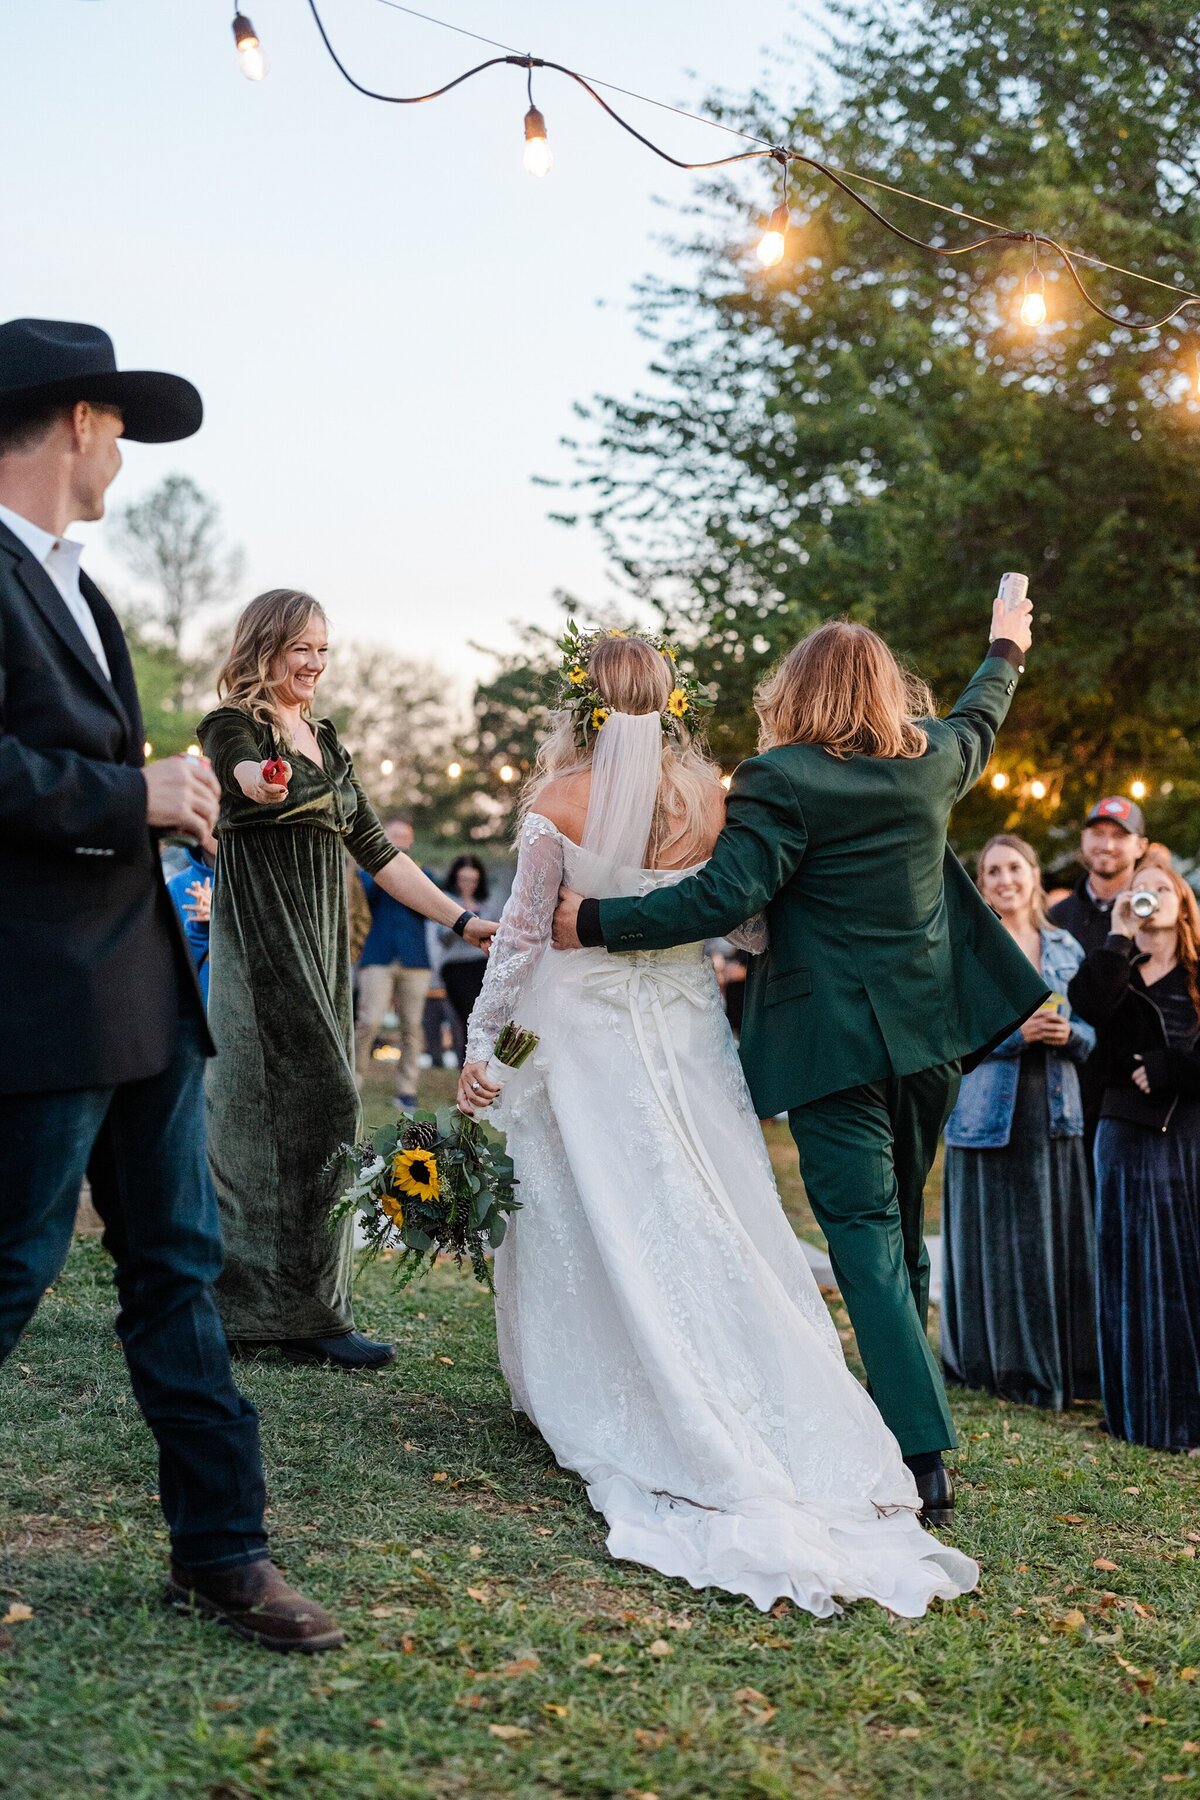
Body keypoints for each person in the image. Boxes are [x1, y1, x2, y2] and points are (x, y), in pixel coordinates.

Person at [458, 632, 979, 1616]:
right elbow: (743, 919)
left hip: (582, 1027)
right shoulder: (717, 795)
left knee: (595, 1206)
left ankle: (593, 1385)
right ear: (670, 700)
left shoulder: (557, 802)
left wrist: (485, 1044)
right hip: (692, 1029)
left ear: (582, 703)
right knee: (717, 1208)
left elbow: (527, 933)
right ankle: (817, 1403)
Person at [552, 591, 1046, 1528]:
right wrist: (1005, 646)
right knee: (897, 1225)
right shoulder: (934, 761)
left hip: (831, 1047)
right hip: (931, 1040)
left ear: (798, 691)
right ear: (887, 690)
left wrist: (597, 922)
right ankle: (919, 1420)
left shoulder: (781, 778)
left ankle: (918, 1451)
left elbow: (719, 899)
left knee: (865, 1235)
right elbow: (983, 713)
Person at [0, 316, 341, 1651]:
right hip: (38, 1003)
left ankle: (223, 1550)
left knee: (181, 1277)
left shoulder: (77, 585)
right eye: (120, 425)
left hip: (145, 998)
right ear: (79, 421)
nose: (126, 451)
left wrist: (170, 804)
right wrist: (124, 795)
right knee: (13, 1268)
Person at [198, 593, 496, 1370]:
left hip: (324, 951)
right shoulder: (233, 724)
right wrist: (260, 783)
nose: (315, 663)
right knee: (285, 1111)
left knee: (319, 1114)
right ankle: (259, 1310)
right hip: (264, 949)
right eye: (301, 647)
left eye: (324, 649)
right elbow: (243, 778)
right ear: (264, 647)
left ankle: (302, 1312)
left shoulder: (326, 741)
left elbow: (380, 852)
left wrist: (461, 921)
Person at [941, 835, 1098, 1409]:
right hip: (984, 1113)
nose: (1005, 879)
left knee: (1047, 1241)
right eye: (993, 871)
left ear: (1033, 875)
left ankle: (1063, 1363)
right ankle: (988, 1363)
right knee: (991, 1244)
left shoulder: (1065, 948)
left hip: (1054, 1110)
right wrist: (1016, 1036)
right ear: (981, 884)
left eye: (1014, 868)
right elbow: (949, 1033)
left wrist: (1070, 1034)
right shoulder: (967, 947)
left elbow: (1091, 1031)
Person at [1068, 860, 1200, 1450]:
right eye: (1137, 890)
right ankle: (1136, 1414)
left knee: (1184, 1272)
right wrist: (1118, 935)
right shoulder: (1116, 967)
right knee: (1128, 1273)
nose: (1148, 896)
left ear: (1184, 902)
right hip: (1122, 1132)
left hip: (1189, 1135)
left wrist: (1176, 1069)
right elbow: (1089, 1005)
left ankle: (1185, 1416)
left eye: (1160, 888)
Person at [354, 817, 434, 1108]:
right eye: (394, 835)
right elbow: (365, 899)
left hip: (414, 960)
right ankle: (353, 1083)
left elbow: (430, 907)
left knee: (412, 1026)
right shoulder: (368, 874)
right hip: (377, 957)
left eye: (404, 836)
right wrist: (385, 867)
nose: (400, 839)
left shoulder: (423, 874)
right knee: (368, 1021)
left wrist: (407, 871)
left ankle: (407, 1089)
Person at [1048, 798, 1150, 955]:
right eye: (1098, 833)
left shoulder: (1152, 917)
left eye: (1119, 835)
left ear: (1141, 847)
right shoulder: (1057, 918)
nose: (1107, 846)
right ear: (1083, 839)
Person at [437, 854, 498, 1065]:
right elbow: (442, 938)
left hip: (482, 966)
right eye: (464, 879)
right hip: (456, 967)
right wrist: (464, 921)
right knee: (468, 1016)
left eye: (472, 879)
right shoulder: (447, 902)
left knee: (484, 1018)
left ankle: (482, 1065)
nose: (468, 884)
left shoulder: (488, 903)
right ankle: (467, 1064)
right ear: (456, 878)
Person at [165, 842, 214, 1003]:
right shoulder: (176, 886)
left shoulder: (258, 879)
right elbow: (169, 971)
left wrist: (221, 917)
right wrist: (199, 930)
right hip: (203, 1014)